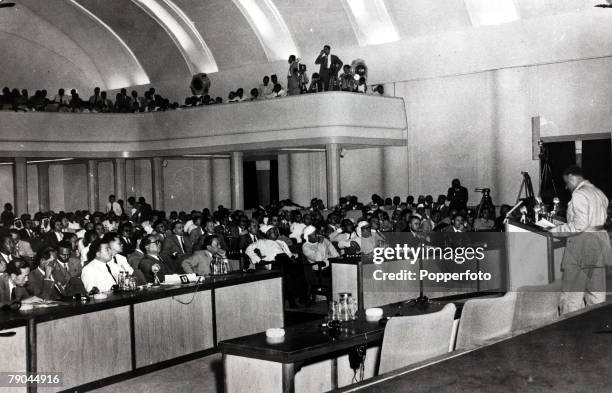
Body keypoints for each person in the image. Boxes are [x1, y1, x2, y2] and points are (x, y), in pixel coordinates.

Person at [549, 166, 612, 314]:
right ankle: (595, 328)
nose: (566, 186)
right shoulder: (599, 192)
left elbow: (579, 225)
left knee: (572, 295)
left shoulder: (579, 194)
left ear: (571, 177)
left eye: (567, 182)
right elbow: (594, 222)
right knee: (596, 293)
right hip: (599, 243)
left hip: (582, 246)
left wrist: (554, 231)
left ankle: (569, 331)